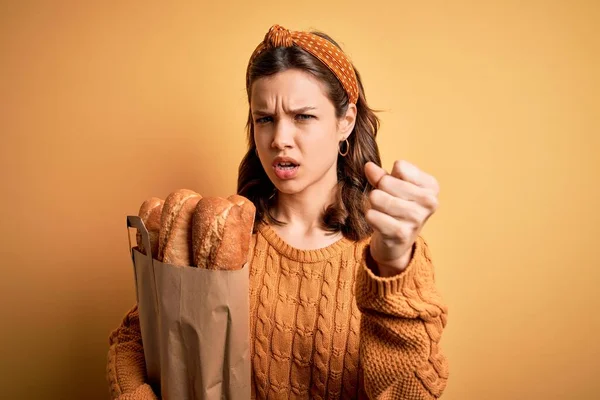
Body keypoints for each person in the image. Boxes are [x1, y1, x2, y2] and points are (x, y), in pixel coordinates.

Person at [107, 24, 449, 399]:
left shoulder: (389, 256)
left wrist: (393, 263)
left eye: (303, 116)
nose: (279, 139)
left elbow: (413, 392)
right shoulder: (223, 238)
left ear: (346, 122)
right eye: (264, 119)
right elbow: (133, 341)